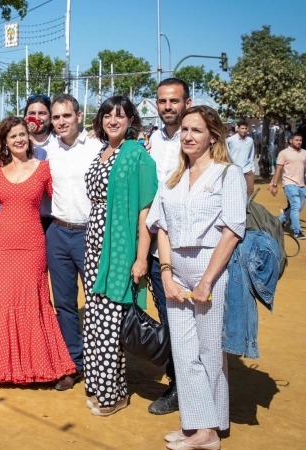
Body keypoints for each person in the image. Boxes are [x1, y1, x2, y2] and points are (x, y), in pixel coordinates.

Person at [147, 105, 245, 449]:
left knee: (210, 352)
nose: (188, 136)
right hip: (176, 271)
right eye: (185, 130)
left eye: (197, 130)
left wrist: (206, 281)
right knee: (186, 352)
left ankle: (211, 429)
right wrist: (167, 273)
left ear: (213, 136)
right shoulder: (173, 177)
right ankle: (195, 425)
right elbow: (160, 226)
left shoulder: (226, 174)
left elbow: (233, 230)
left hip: (210, 268)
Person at [0, 116, 75, 384]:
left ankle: (40, 365)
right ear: (5, 142)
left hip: (33, 244)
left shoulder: (44, 169)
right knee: (1, 300)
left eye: (22, 134)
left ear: (29, 136)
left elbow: (59, 202)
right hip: (2, 245)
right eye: (13, 136)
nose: (19, 139)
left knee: (33, 300)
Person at [82, 96, 157, 416]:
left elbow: (145, 210)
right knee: (96, 319)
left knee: (113, 322)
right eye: (108, 115)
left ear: (130, 121)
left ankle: (115, 394)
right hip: (94, 246)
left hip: (120, 248)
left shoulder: (136, 154)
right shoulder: (102, 153)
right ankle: (99, 385)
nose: (113, 120)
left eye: (121, 116)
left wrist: (141, 259)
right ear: (100, 120)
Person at [45, 94, 102, 391]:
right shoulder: (47, 152)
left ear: (79, 116)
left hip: (90, 233)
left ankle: (97, 367)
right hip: (57, 232)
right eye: (56, 117)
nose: (61, 122)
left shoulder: (97, 148)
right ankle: (73, 363)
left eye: (66, 115)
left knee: (95, 302)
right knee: (65, 303)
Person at [146, 77, 193, 415]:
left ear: (186, 103)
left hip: (188, 248)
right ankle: (178, 382)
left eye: (174, 101)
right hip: (153, 246)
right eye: (162, 101)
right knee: (167, 317)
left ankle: (191, 387)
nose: (167, 107)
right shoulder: (153, 140)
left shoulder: (197, 139)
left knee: (191, 320)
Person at [23, 94, 58, 232]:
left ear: (50, 117)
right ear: (25, 117)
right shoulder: (16, 146)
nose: (37, 118)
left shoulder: (60, 144)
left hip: (53, 222)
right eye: (32, 113)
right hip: (25, 219)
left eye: (42, 113)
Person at [269, 132, 306, 239]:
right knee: (295, 206)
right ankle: (296, 231)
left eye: (300, 140)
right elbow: (278, 169)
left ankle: (279, 220)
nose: (299, 142)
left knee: (298, 207)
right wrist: (274, 184)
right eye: (297, 140)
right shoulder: (284, 153)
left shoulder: (304, 152)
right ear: (290, 141)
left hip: (301, 185)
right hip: (289, 184)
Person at [226, 119, 256, 196]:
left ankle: (247, 207)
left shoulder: (250, 140)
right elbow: (226, 153)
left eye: (245, 128)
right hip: (234, 169)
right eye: (242, 128)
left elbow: (252, 154)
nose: (244, 130)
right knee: (236, 191)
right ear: (238, 129)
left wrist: (252, 169)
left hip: (247, 169)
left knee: (250, 190)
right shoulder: (230, 140)